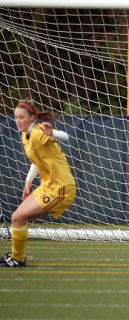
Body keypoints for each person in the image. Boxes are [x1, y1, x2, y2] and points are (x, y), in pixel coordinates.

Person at [0, 99, 76, 267]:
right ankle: (16, 256)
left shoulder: (37, 131)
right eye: (15, 117)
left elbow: (65, 136)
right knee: (17, 218)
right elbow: (37, 159)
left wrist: (52, 134)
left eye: (21, 117)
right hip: (47, 186)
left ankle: (17, 259)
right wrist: (28, 182)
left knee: (18, 218)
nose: (18, 121)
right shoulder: (25, 135)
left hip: (60, 188)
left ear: (32, 117)